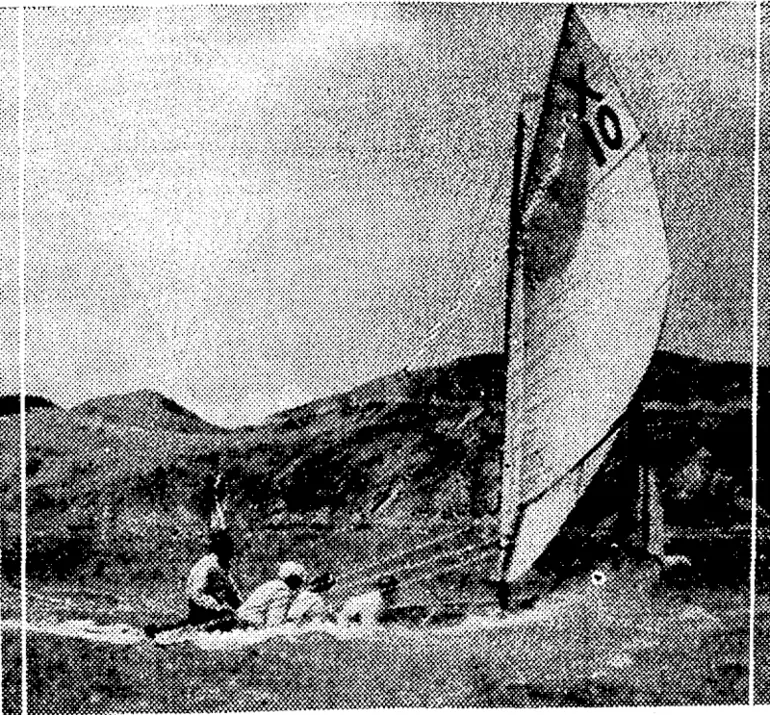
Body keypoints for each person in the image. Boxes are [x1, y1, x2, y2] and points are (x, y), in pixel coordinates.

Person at [144, 529, 240, 639]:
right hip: (203, 611)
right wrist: (218, 607)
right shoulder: (207, 565)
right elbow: (195, 593)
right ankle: (163, 632)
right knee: (213, 625)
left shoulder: (222, 565)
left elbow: (232, 590)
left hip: (218, 610)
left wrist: (237, 606)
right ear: (221, 547)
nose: (232, 552)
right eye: (228, 548)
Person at [237, 561, 307, 628]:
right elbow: (274, 622)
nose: (300, 584)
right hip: (251, 623)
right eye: (300, 580)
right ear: (293, 578)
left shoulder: (272, 584)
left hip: (243, 619)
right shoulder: (283, 590)